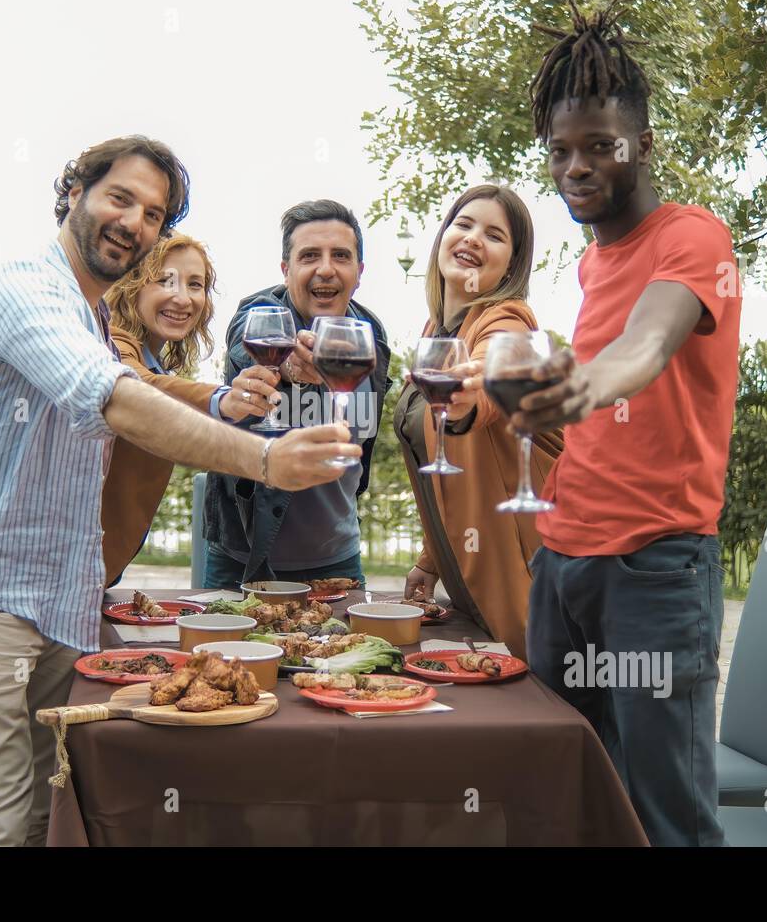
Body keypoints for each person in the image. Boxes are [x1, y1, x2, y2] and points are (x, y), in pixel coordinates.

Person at [0, 137, 357, 846]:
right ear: (74, 191)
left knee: (52, 810)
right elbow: (117, 400)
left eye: (153, 213)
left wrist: (227, 404)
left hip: (61, 598)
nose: (134, 222)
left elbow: (144, 394)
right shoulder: (26, 290)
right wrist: (266, 461)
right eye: (121, 199)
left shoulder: (92, 317)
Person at [466, 4, 742, 846]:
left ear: (644, 145)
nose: (575, 167)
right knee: (570, 801)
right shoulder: (591, 259)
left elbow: (648, 343)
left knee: (668, 821)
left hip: (653, 571)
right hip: (565, 563)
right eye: (561, 151)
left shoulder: (692, 235)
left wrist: (585, 387)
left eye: (600, 146)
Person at [394, 184, 563, 657]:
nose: (472, 239)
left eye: (494, 235)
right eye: (463, 225)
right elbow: (442, 473)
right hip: (463, 578)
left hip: (522, 578)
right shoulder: (438, 332)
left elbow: (496, 370)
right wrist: (429, 563)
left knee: (538, 715)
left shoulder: (508, 320)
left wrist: (472, 393)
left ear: (511, 264)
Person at [202, 200, 391, 588]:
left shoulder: (371, 334)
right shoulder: (259, 315)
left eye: (341, 255)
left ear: (359, 272)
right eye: (309, 256)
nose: (326, 268)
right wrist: (285, 365)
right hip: (243, 560)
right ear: (286, 271)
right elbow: (244, 344)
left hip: (339, 560)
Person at [100, 232, 281, 586]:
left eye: (195, 284)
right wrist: (224, 399)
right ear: (132, 285)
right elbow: (136, 387)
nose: (183, 297)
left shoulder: (156, 362)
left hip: (102, 571)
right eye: (164, 280)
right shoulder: (110, 340)